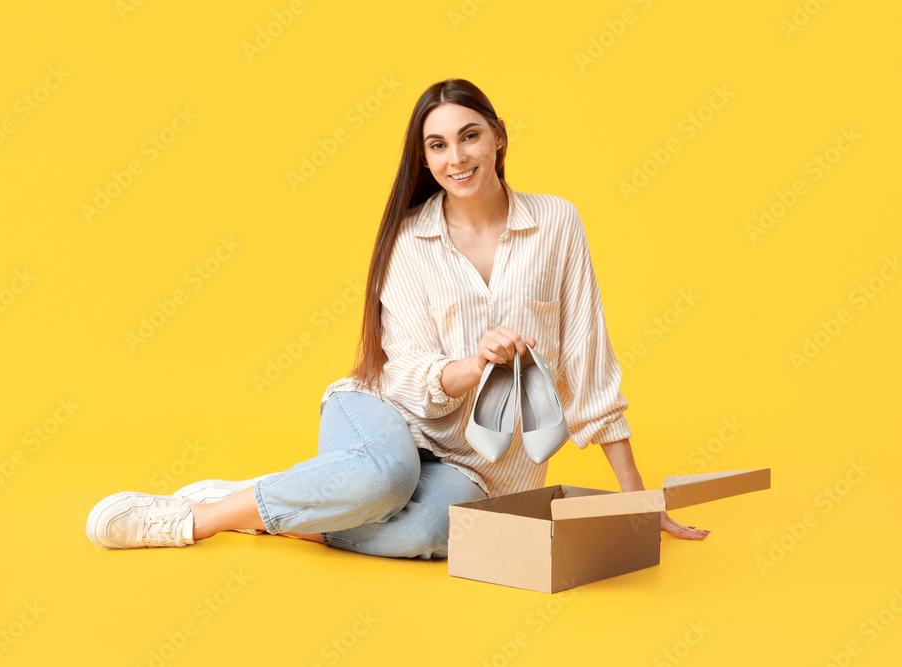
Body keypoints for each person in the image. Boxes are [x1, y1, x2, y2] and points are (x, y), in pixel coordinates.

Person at [86, 78, 709, 558]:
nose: (456, 157)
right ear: (426, 158)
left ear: (498, 135)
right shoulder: (411, 241)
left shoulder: (558, 223)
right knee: (386, 476)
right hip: (384, 413)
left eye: (469, 135)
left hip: (479, 464)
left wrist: (637, 497)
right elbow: (404, 372)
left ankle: (264, 502)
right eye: (436, 145)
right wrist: (475, 363)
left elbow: (589, 364)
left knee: (437, 532)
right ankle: (194, 520)